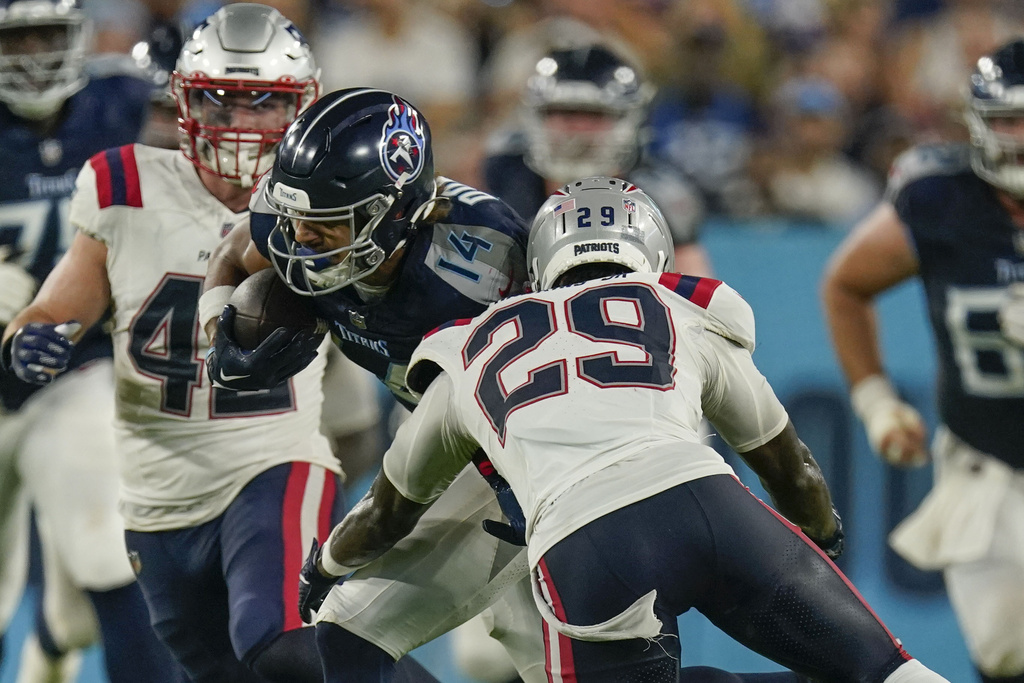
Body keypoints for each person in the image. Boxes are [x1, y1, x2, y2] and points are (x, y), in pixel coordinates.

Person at [203, 87, 799, 683]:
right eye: (297, 220)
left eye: (327, 225)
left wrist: (528, 496)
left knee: (369, 638)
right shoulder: (293, 226)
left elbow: (556, 385)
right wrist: (216, 327)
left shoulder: (482, 266)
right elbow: (236, 252)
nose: (301, 241)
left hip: (525, 455)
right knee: (344, 641)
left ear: (395, 211)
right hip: (452, 439)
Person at [299, 176, 951, 683]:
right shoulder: (678, 305)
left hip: (581, 540)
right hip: (707, 500)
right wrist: (817, 541)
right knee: (887, 670)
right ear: (653, 252)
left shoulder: (466, 347)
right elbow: (788, 464)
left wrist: (326, 561)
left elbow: (388, 508)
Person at [0, 6, 391, 682]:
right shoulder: (124, 183)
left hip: (247, 449)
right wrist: (34, 330)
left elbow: (365, 400)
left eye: (265, 102)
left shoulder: (322, 195)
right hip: (159, 477)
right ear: (184, 102)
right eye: (221, 101)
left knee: (280, 641)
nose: (241, 124)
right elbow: (58, 302)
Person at [821, 38, 1024, 683]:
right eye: (1008, 121)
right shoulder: (943, 196)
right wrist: (876, 403)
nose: (1021, 139)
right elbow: (846, 286)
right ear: (977, 125)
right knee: (1005, 657)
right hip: (986, 466)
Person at [0, 0, 179, 680]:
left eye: (48, 34)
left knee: (109, 547)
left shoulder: (123, 102)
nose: (36, 53)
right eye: (19, 38)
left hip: (70, 369)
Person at [483, 43, 711, 276]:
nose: (578, 130)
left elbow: (693, 304)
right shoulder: (507, 172)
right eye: (565, 112)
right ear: (538, 116)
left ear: (627, 119)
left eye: (594, 114)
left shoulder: (662, 197)